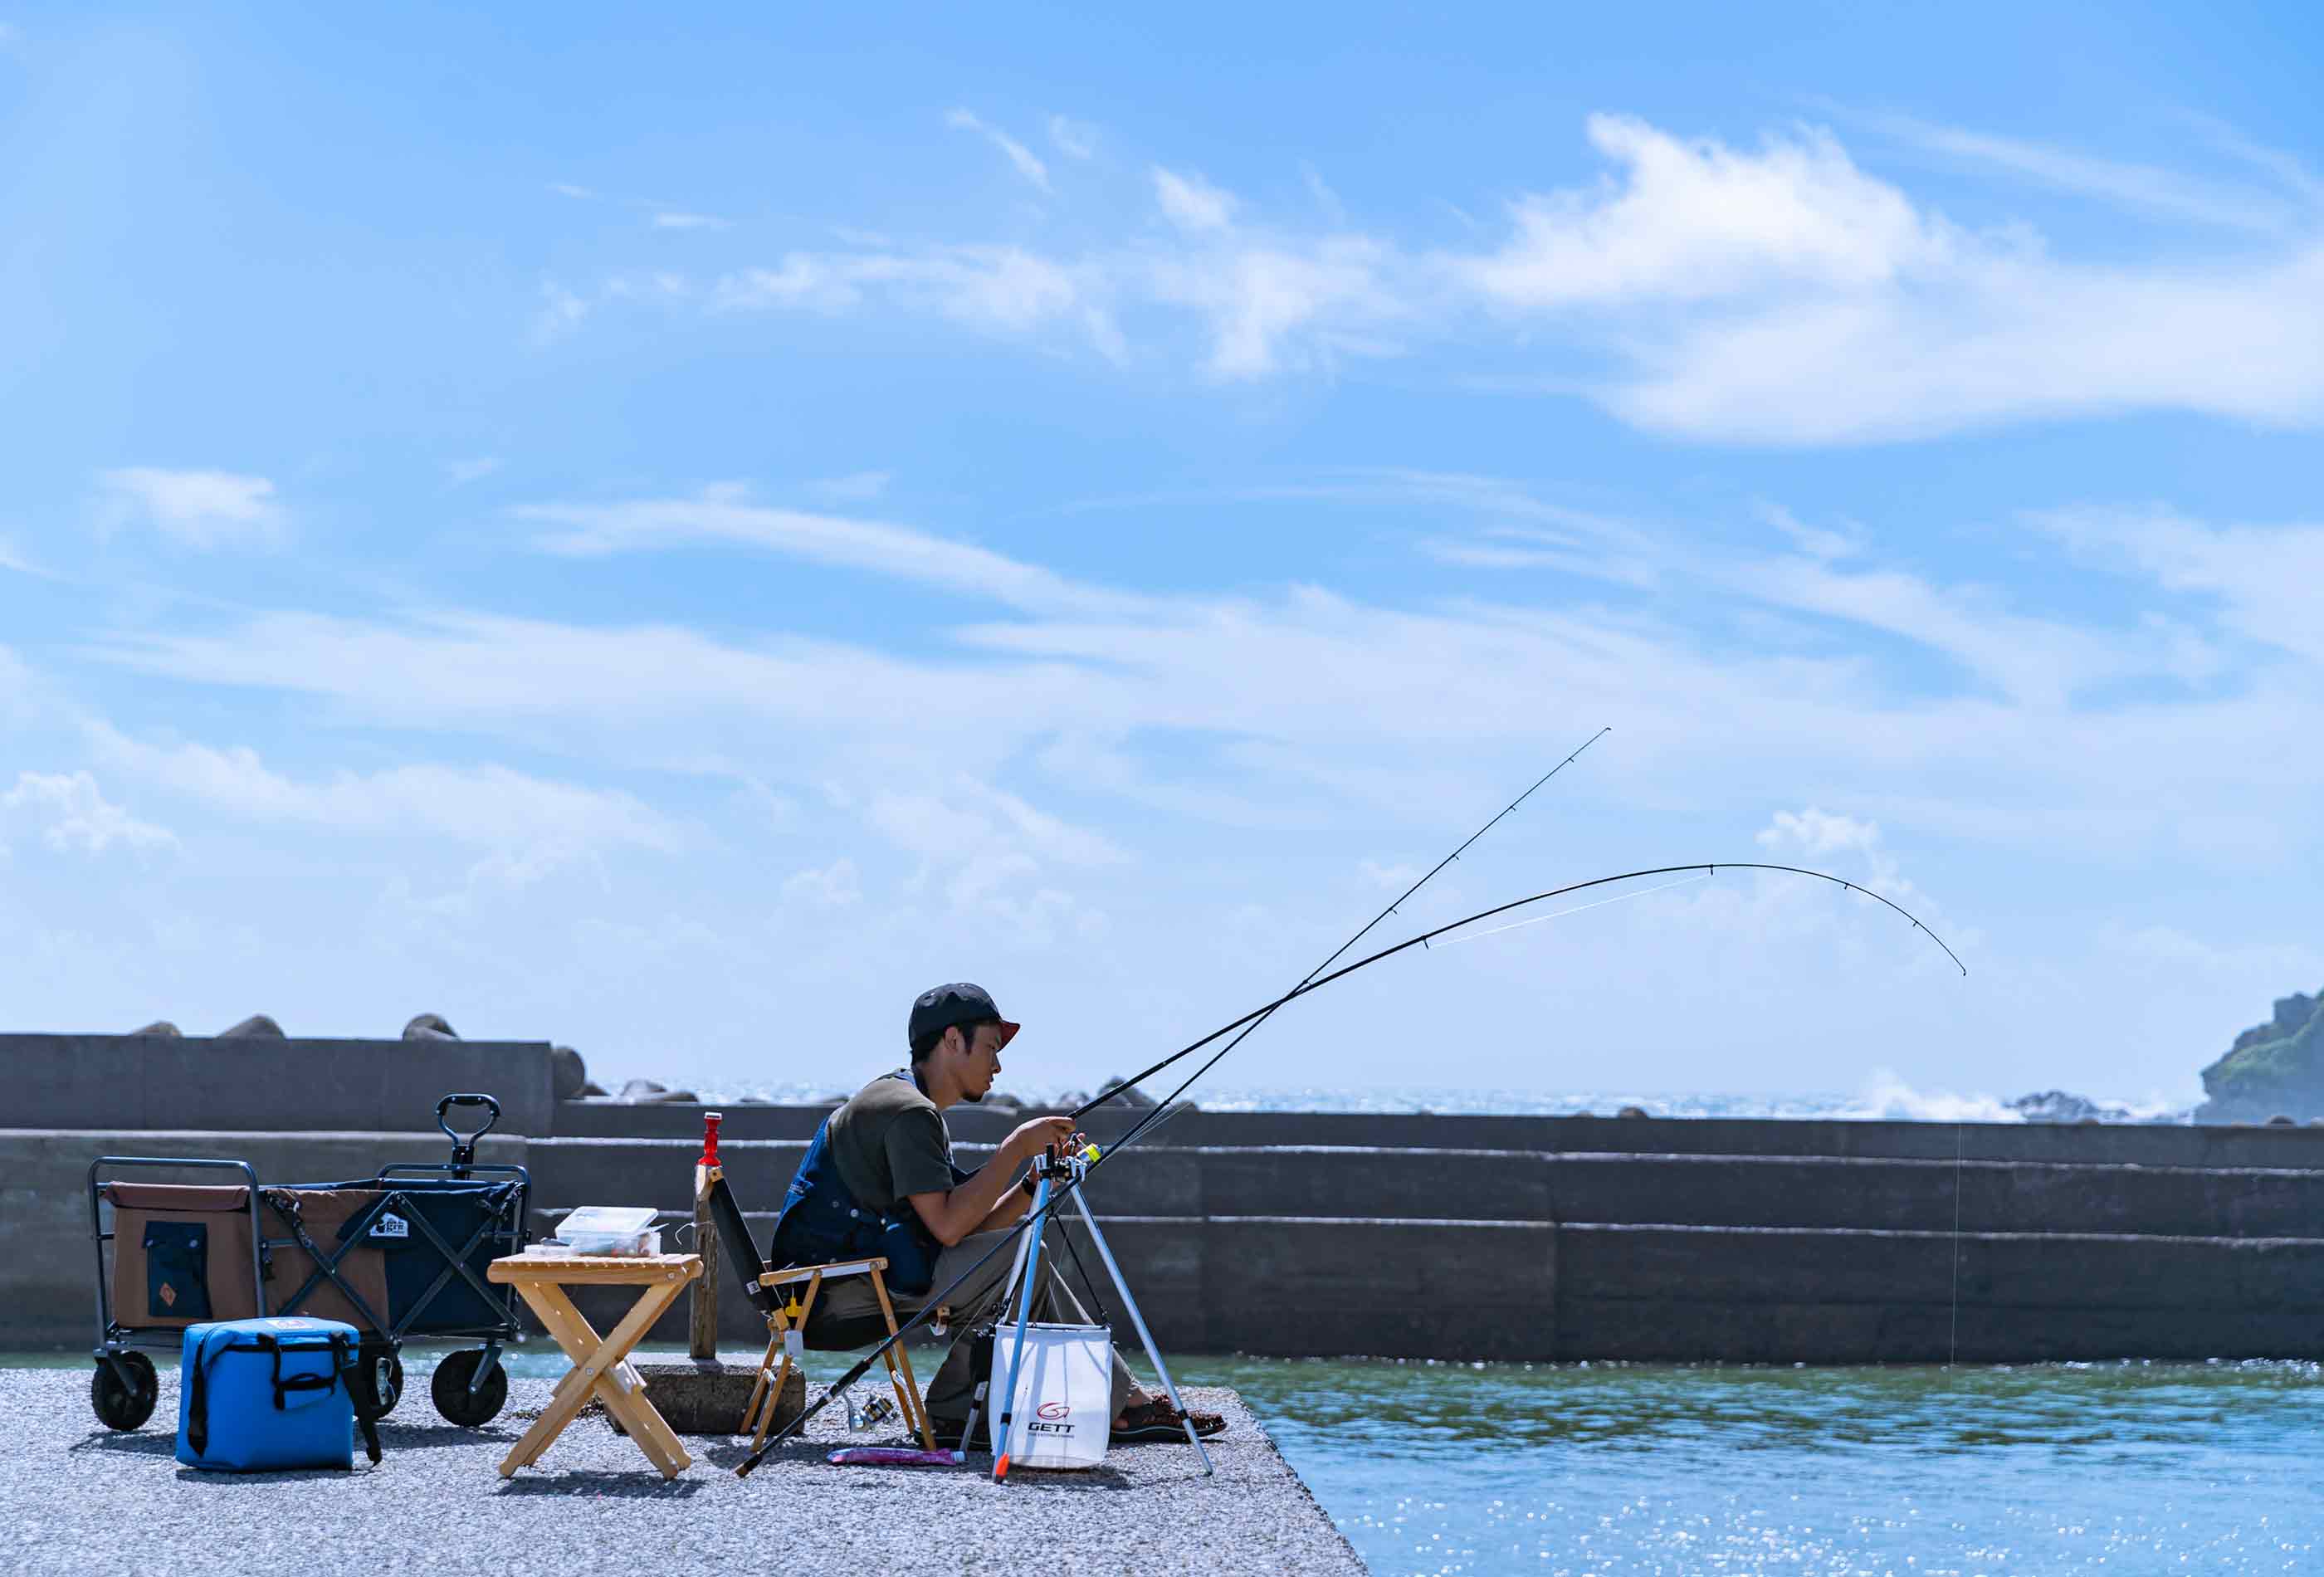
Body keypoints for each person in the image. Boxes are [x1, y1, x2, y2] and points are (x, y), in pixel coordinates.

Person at [769, 981, 1223, 1445]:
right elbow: (949, 1229)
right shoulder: (908, 1113)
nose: (998, 1065)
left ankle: (984, 1410)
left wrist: (1030, 1183)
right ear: (951, 1041)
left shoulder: (902, 1102)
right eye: (990, 1047)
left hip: (839, 1282)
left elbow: (966, 1231)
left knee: (1019, 1253)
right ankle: (1115, 1405)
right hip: (830, 1295)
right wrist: (1014, 1148)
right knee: (1026, 1257)